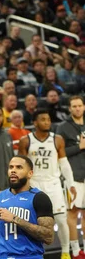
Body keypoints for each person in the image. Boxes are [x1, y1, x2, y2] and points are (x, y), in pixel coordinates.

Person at [18, 109, 76, 259]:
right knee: (34, 223)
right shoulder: (26, 141)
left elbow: (64, 164)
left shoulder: (57, 139)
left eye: (49, 119)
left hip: (54, 184)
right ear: (35, 122)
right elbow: (21, 166)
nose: (47, 122)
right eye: (43, 119)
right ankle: (35, 253)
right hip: (35, 185)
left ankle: (65, 252)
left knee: (61, 220)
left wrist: (71, 185)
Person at [0, 156, 55, 259]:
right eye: (11, 167)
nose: (13, 170)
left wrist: (15, 219)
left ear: (30, 173)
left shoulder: (39, 198)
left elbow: (49, 237)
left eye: (19, 167)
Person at [56, 96, 85, 259]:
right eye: (74, 106)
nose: (77, 108)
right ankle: (74, 251)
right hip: (73, 177)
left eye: (80, 105)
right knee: (72, 213)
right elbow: (59, 152)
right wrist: (79, 147)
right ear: (70, 109)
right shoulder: (63, 127)